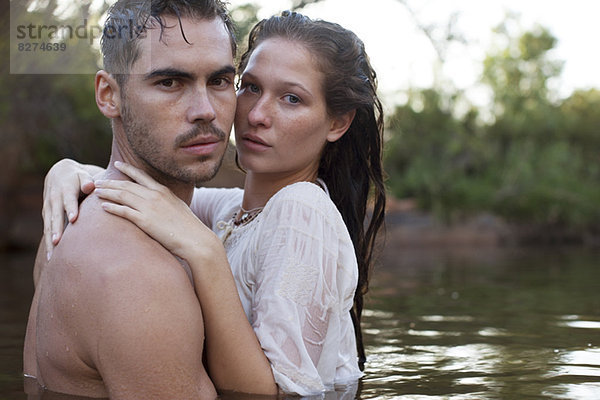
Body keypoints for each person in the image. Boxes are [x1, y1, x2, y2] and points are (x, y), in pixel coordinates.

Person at [41, 10, 387, 397]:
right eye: (250, 87)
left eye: (292, 98)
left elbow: (278, 392)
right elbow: (153, 196)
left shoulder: (302, 210)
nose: (256, 115)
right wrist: (68, 170)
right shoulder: (232, 211)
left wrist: (207, 255)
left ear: (337, 123)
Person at [22, 0, 264, 398]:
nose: (205, 111)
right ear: (108, 95)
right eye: (170, 82)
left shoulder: (74, 218)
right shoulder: (137, 275)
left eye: (220, 81)